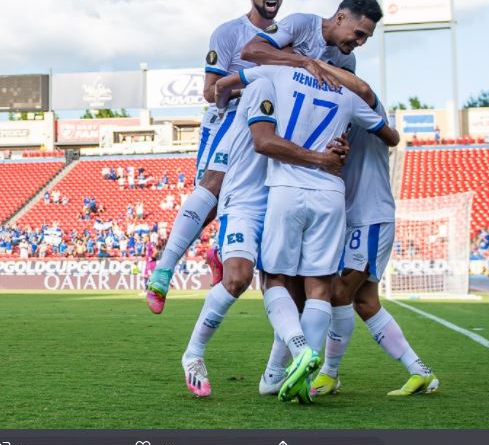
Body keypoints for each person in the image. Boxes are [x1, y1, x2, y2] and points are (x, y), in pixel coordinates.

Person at [239, 59, 398, 404]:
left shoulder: (279, 72)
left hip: (287, 187)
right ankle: (294, 372)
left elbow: (233, 78)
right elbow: (391, 135)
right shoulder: (349, 93)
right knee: (320, 288)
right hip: (330, 194)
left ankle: (299, 351)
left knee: (275, 280)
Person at [178, 73, 347, 397]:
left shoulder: (308, 95)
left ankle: (273, 375)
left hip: (283, 200)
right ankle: (194, 353)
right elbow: (258, 136)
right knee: (238, 279)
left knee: (290, 289)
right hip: (244, 200)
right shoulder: (265, 81)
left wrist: (340, 148)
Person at [146, 0, 295, 312]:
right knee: (212, 190)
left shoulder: (290, 34)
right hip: (228, 121)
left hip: (267, 124)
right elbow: (211, 91)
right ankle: (162, 268)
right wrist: (254, 86)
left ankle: (219, 251)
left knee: (254, 200)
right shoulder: (229, 33)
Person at [309, 86, 438, 397]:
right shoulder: (339, 123)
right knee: (366, 303)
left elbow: (363, 89)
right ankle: (420, 373)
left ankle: (329, 373)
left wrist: (316, 65)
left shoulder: (367, 108)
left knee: (340, 292)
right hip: (354, 218)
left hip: (371, 217)